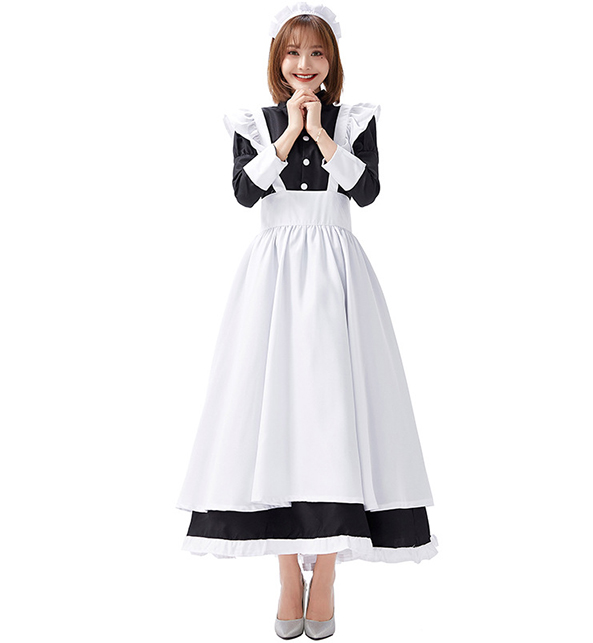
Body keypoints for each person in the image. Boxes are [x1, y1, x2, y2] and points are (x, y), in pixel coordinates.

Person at [175, 3, 439, 639]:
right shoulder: (254, 122)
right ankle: (288, 574)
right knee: (275, 415)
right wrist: (289, 130)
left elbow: (366, 192)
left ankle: (327, 573)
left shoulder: (353, 120)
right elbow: (246, 193)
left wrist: (321, 133)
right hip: (272, 276)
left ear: (332, 60)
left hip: (336, 274)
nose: (304, 63)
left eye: (317, 52)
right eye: (293, 52)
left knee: (334, 414)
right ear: (278, 59)